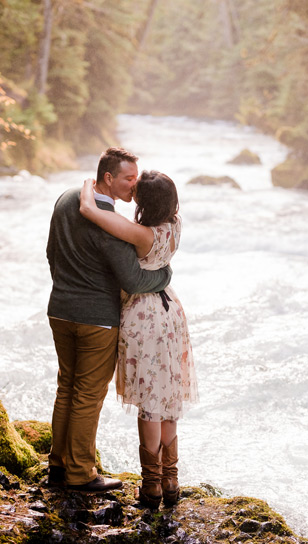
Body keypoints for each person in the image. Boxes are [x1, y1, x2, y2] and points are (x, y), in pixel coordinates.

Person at [46, 147, 173, 493]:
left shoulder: (67, 198)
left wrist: (67, 285)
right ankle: (80, 473)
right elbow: (132, 280)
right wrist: (163, 277)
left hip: (59, 308)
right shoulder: (111, 224)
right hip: (97, 319)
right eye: (129, 178)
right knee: (87, 394)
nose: (136, 184)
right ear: (108, 178)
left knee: (67, 387)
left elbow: (51, 252)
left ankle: (57, 466)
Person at [77, 170, 196, 509]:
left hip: (144, 315)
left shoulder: (142, 234)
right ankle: (171, 481)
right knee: (169, 397)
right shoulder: (175, 224)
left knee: (150, 403)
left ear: (144, 202)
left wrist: (90, 184)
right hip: (171, 311)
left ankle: (152, 486)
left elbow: (90, 211)